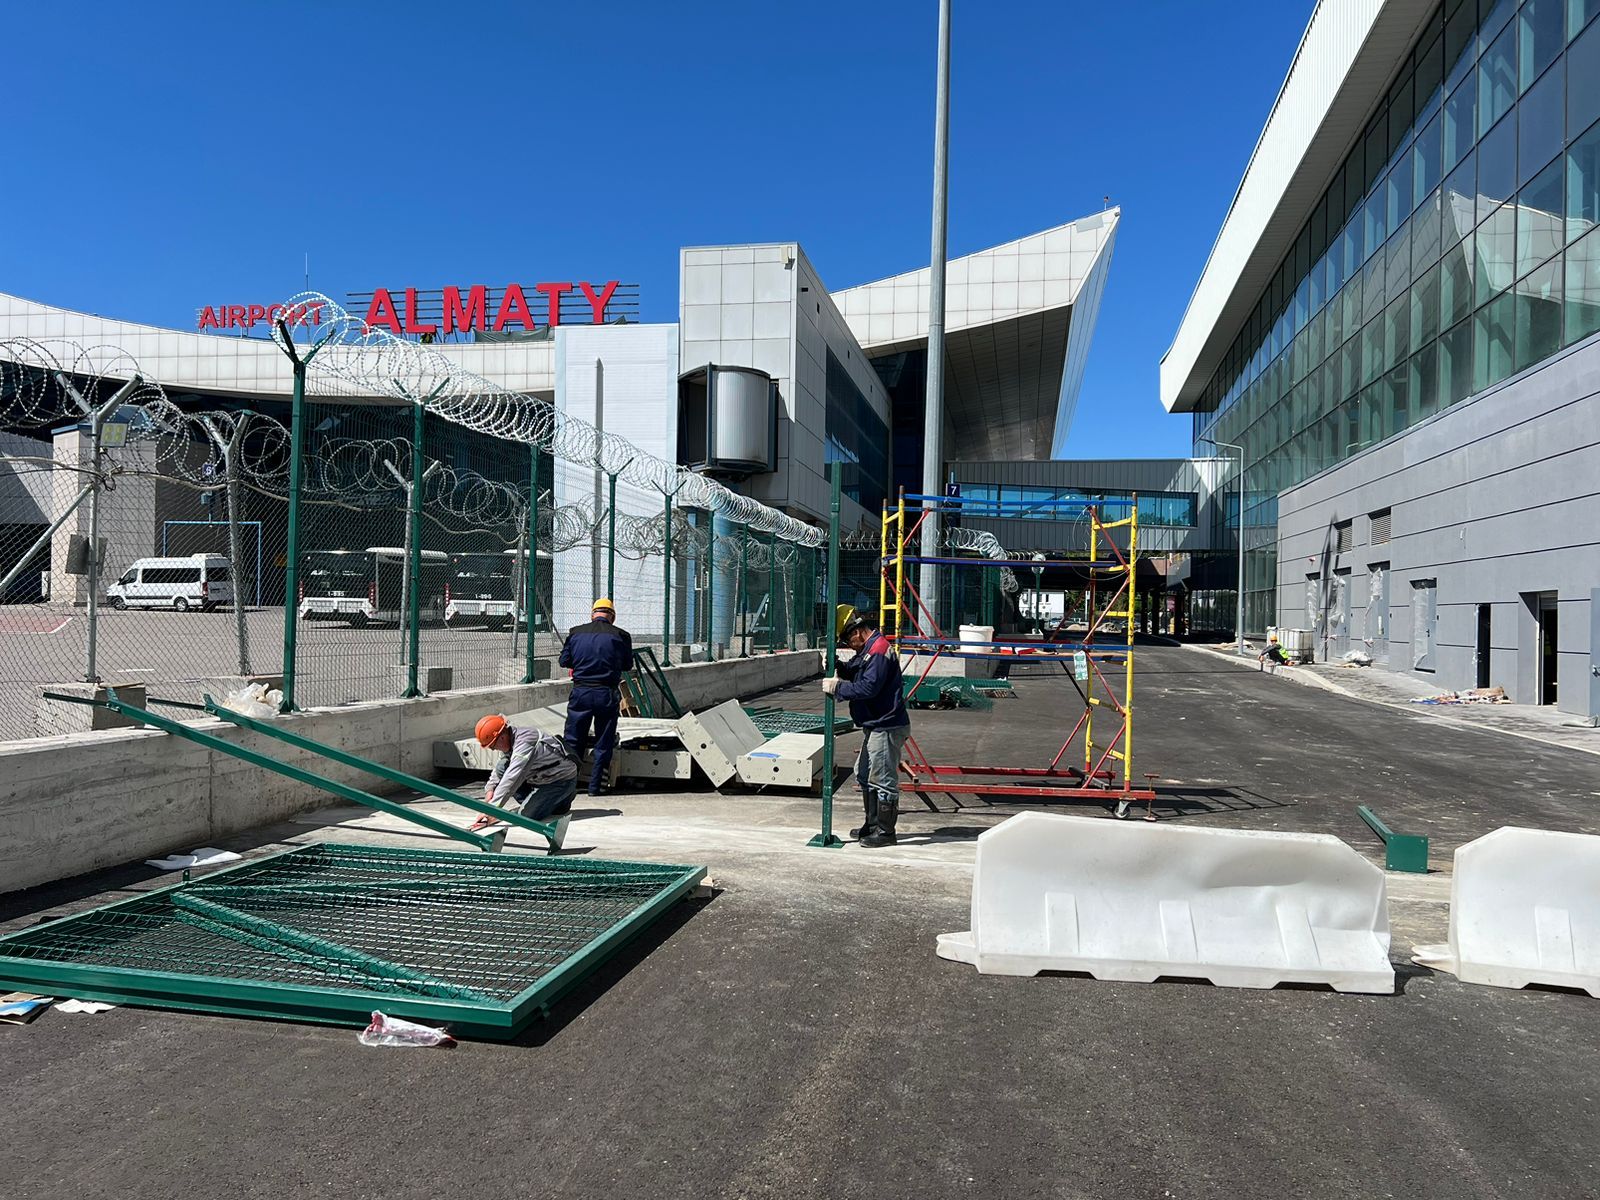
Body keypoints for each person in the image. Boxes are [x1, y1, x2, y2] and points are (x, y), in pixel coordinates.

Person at [822, 607, 912, 847]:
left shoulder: (879, 651)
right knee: (864, 774)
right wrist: (838, 667)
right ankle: (872, 825)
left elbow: (868, 688)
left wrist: (837, 688)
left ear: (858, 632)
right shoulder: (869, 650)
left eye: (848, 640)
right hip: (876, 724)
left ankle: (885, 832)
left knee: (882, 778)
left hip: (886, 725)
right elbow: (855, 669)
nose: (849, 645)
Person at [560, 598, 633, 795]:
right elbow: (627, 665)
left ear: (592, 614)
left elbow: (564, 660)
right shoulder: (621, 635)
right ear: (613, 616)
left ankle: (568, 785)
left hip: (581, 692)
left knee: (574, 739)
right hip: (606, 693)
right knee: (604, 740)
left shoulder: (575, 632)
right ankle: (596, 788)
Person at [472, 714, 577, 847]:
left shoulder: (525, 741)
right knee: (503, 765)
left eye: (493, 746)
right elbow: (501, 767)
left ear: (502, 737)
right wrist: (490, 790)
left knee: (526, 816)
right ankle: (551, 801)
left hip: (560, 780)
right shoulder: (510, 740)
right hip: (539, 778)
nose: (493, 749)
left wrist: (492, 810)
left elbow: (512, 777)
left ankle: (564, 796)